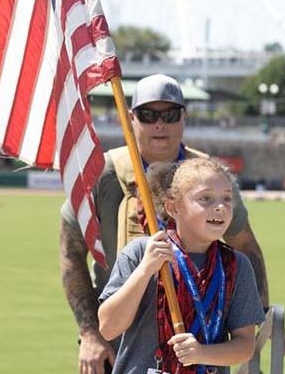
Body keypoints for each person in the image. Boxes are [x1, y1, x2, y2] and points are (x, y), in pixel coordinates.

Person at [59, 74, 285, 374]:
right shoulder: (103, 173)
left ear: (184, 116)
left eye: (169, 114)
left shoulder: (208, 174)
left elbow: (246, 246)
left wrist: (265, 317)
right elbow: (71, 253)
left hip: (203, 341)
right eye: (148, 114)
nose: (159, 124)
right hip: (122, 335)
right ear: (131, 118)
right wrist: (90, 333)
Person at [98, 158, 265, 373]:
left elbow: (244, 346)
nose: (220, 207)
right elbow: (108, 327)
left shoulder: (236, 265)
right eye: (206, 199)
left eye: (227, 198)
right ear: (173, 207)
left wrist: (201, 353)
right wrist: (145, 270)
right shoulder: (141, 253)